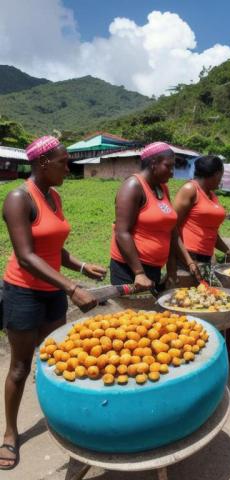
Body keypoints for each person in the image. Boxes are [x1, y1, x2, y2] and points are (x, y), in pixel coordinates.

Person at [0, 136, 106, 470]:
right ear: (43, 163)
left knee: (55, 359)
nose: (68, 167)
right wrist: (73, 288)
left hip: (51, 292)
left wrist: (81, 265)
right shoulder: (18, 198)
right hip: (23, 292)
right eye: (63, 161)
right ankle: (10, 433)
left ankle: (59, 417)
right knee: (20, 366)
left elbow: (54, 248)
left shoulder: (54, 196)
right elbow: (27, 256)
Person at [169, 155, 230, 361]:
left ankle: (225, 351)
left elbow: (211, 231)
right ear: (216, 174)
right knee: (188, 307)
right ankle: (186, 354)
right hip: (188, 258)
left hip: (206, 260)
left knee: (222, 304)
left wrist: (226, 249)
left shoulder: (211, 194)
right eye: (221, 175)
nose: (221, 180)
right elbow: (172, 227)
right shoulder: (190, 190)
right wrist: (188, 261)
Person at [110, 142, 200, 290]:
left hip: (154, 268)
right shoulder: (133, 186)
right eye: (168, 166)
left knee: (151, 312)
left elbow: (171, 230)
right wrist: (139, 273)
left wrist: (178, 266)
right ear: (153, 164)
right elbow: (122, 232)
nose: (172, 172)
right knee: (135, 313)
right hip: (130, 270)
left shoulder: (162, 188)